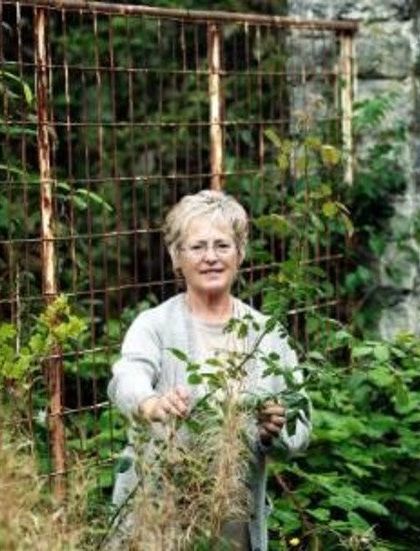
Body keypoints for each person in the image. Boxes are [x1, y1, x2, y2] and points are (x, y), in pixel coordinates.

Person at [107, 190, 310, 550]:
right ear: (177, 257)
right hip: (157, 518)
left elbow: (300, 425)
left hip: (233, 527)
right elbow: (127, 376)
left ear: (240, 253)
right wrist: (151, 404)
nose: (211, 258)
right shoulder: (154, 324)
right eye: (197, 247)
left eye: (223, 245)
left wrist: (272, 432)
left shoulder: (267, 334)